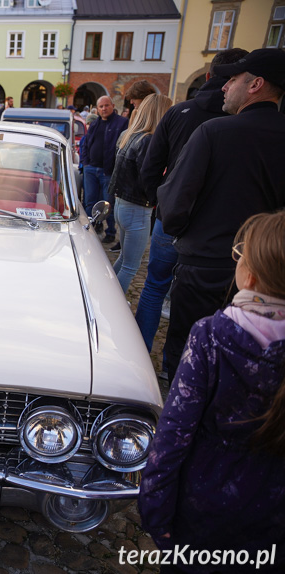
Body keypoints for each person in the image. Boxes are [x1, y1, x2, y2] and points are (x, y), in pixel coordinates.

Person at [138, 210, 285, 573]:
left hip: (203, 505)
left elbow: (172, 437)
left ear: (249, 274)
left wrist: (155, 511)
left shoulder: (212, 337)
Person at [157, 48, 285, 380]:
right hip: (267, 272)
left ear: (255, 84)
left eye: (232, 79)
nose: (224, 87)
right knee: (248, 367)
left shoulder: (215, 132)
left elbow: (174, 202)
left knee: (188, 360)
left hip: (206, 265)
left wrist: (184, 231)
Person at [135, 48, 248, 358]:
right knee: (216, 299)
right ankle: (197, 362)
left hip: (170, 220)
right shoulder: (241, 118)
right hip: (220, 230)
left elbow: (149, 167)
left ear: (209, 76)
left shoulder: (180, 112)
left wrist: (161, 207)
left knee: (155, 285)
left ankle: (143, 354)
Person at [109, 94, 172, 292]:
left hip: (123, 203)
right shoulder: (148, 140)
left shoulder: (131, 135)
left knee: (124, 260)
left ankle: (108, 297)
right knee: (130, 266)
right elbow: (148, 177)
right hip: (136, 207)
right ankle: (113, 309)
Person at [79, 96, 129, 243]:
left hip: (108, 171)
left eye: (106, 106)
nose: (104, 109)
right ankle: (90, 230)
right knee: (89, 202)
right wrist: (86, 163)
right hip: (91, 169)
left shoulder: (121, 123)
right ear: (97, 108)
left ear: (112, 106)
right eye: (101, 106)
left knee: (108, 204)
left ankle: (111, 232)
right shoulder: (95, 124)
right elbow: (86, 144)